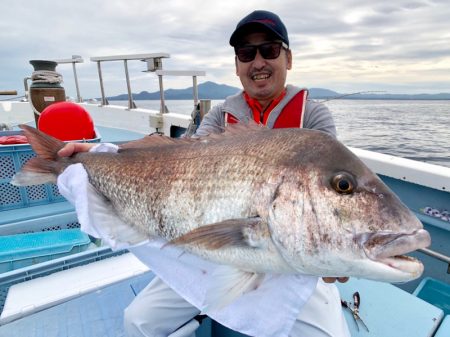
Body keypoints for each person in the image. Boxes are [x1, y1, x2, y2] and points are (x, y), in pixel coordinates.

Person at [58, 10, 350, 337]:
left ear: (288, 58)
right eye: (246, 53)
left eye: (269, 50)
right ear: (237, 64)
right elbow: (178, 160)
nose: (258, 62)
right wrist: (103, 153)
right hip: (219, 250)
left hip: (290, 262)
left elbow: (328, 201)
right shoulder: (220, 115)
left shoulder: (312, 116)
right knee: (139, 322)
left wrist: (338, 250)